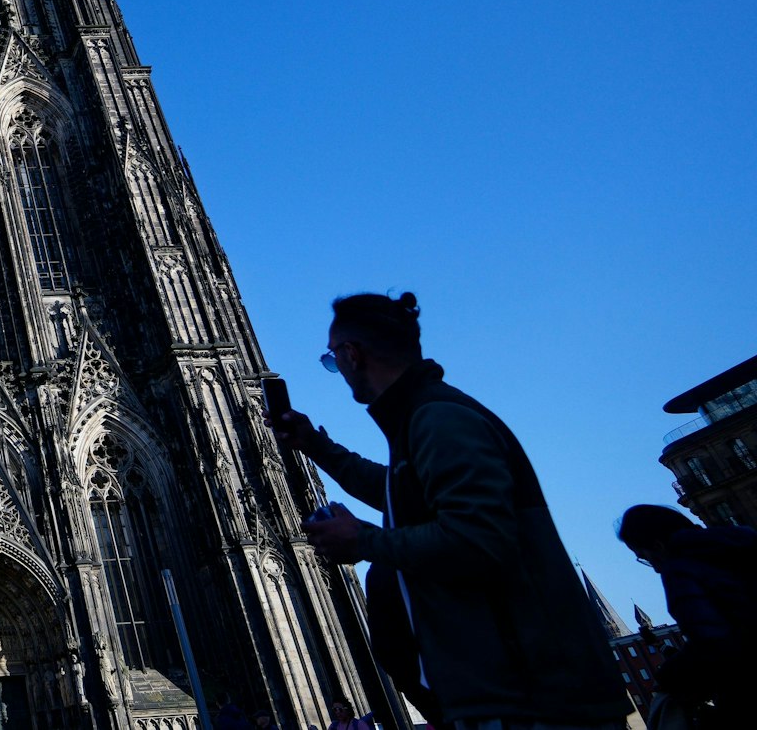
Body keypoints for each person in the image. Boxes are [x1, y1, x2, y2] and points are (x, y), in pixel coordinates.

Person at [266, 292, 628, 730]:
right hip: (512, 689)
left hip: (533, 694)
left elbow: (477, 539)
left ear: (352, 354)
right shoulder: (423, 416)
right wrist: (316, 446)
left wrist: (363, 541)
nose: (336, 370)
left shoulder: (439, 419)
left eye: (332, 359)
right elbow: (399, 490)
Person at [616, 504, 757, 727]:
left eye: (645, 557)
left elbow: (712, 642)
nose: (654, 569)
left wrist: (670, 676)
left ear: (658, 546)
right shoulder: (746, 542)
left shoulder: (680, 569)